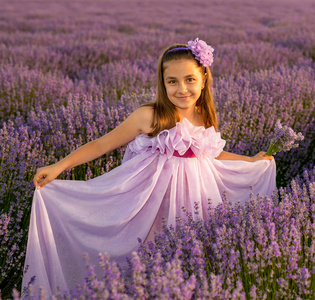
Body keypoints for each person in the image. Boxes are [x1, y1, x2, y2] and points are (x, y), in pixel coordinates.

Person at [21, 38, 276, 296]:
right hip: (152, 202)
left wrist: (251, 161)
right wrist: (60, 166)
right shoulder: (150, 116)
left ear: (204, 79)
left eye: (190, 80)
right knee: (150, 254)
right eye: (172, 81)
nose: (182, 89)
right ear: (162, 83)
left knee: (192, 256)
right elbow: (102, 145)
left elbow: (212, 154)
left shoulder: (203, 115)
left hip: (197, 198)